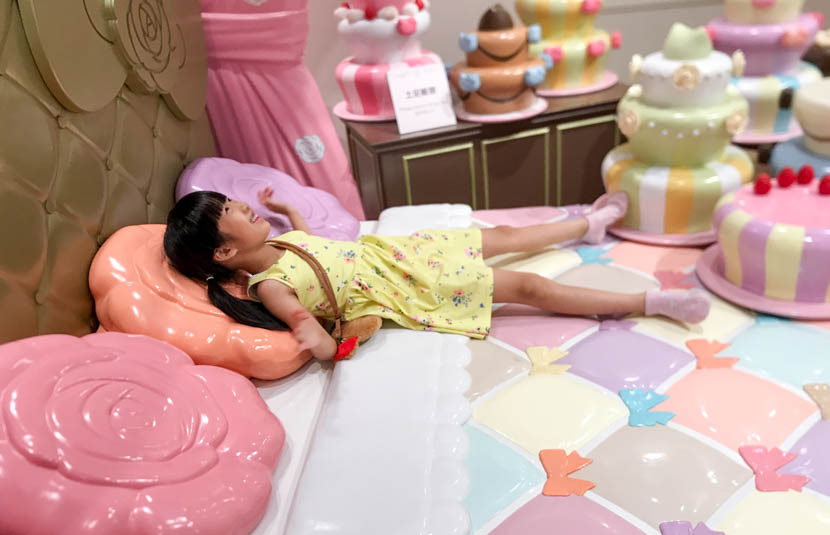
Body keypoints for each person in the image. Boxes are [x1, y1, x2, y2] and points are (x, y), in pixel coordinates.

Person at [163, 189, 710, 360]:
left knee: (500, 236)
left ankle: (586, 224)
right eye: (230, 211)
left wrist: (286, 208)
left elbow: (308, 240)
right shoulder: (269, 286)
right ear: (223, 252)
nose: (242, 207)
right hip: (403, 286)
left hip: (397, 254)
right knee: (527, 288)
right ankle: (650, 302)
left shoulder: (281, 242)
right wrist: (313, 337)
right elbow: (313, 331)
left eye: (234, 201)